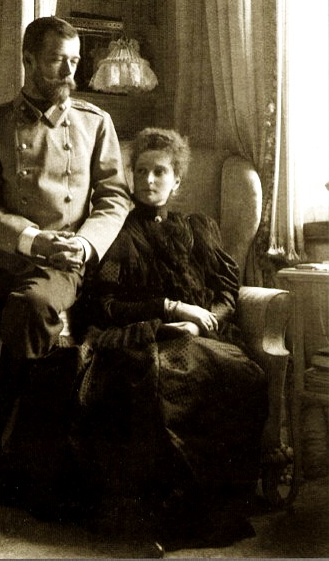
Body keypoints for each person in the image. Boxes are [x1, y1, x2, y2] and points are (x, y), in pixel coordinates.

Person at [0, 16, 131, 500]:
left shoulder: (94, 123)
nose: (70, 71)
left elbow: (114, 198)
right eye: (58, 60)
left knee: (30, 310)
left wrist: (85, 244)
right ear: (28, 60)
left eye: (75, 60)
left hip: (60, 261)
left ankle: (18, 455)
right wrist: (30, 239)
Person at [69, 127, 268, 550]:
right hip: (141, 337)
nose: (149, 180)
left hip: (201, 336)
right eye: (141, 171)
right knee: (162, 380)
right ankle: (168, 513)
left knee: (241, 374)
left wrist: (201, 323)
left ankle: (209, 506)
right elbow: (106, 305)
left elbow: (225, 293)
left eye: (160, 172)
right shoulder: (117, 232)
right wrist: (171, 310)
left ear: (177, 180)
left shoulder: (198, 229)